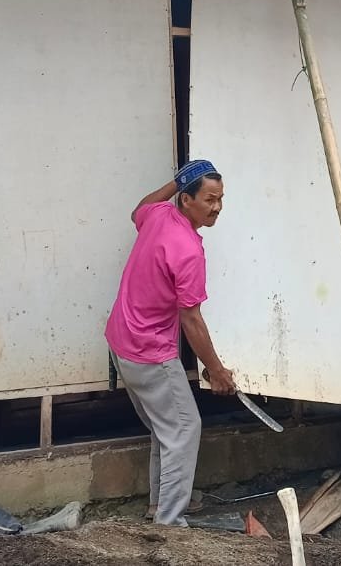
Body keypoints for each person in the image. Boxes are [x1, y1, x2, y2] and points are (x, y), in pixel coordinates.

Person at [105, 159, 236, 527]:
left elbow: (138, 209)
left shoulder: (159, 215)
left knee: (167, 429)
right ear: (187, 199)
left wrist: (175, 183)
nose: (216, 208)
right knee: (183, 428)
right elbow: (190, 319)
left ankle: (159, 506)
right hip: (149, 352)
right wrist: (217, 370)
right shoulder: (188, 250)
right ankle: (169, 522)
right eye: (209, 199)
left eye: (221, 199)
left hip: (121, 342)